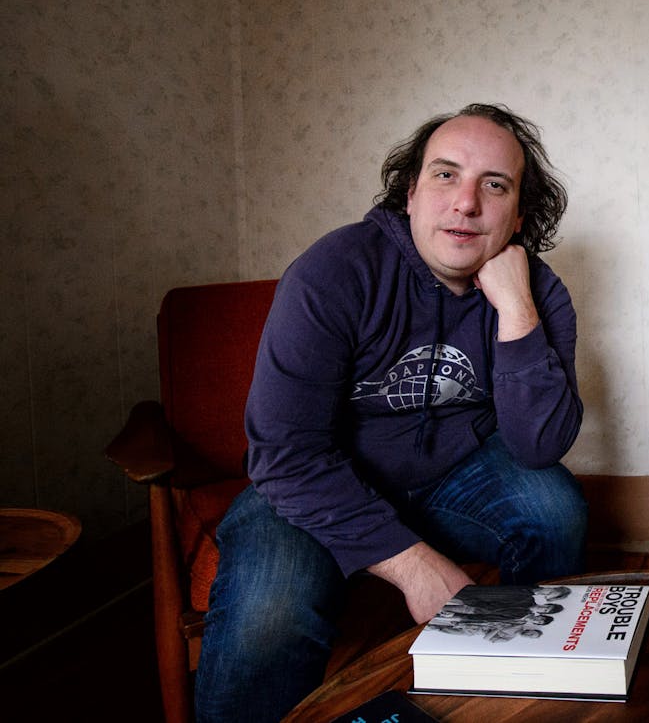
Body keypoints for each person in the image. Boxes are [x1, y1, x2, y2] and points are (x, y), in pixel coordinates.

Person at [194, 103, 588, 722]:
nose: (466, 203)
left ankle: (514, 695)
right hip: (315, 481)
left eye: (495, 185)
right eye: (445, 175)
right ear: (409, 193)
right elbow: (286, 454)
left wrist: (516, 311)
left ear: (518, 213)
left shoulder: (538, 293)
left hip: (452, 473)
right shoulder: (333, 272)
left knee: (555, 508)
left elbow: (539, 446)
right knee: (272, 610)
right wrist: (413, 565)